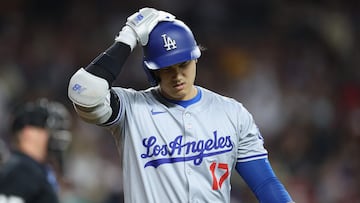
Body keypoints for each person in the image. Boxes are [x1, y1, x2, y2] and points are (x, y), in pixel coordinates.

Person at [68, 7, 295, 203]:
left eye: (183, 64)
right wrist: (128, 37)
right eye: (167, 68)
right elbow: (84, 93)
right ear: (152, 70)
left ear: (196, 58)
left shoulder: (232, 113)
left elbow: (265, 184)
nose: (177, 75)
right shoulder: (131, 109)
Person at [0, 98, 72, 203]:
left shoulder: (30, 169)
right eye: (47, 129)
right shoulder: (22, 171)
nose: (53, 136)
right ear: (28, 133)